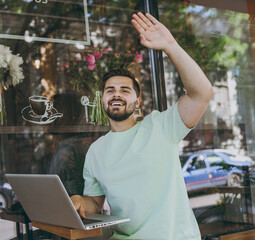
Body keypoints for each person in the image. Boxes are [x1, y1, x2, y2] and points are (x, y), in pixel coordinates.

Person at [70, 12, 214, 239]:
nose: (116, 94)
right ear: (102, 100)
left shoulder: (161, 126)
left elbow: (202, 93)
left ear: (137, 102)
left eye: (125, 90)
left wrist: (170, 46)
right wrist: (80, 201)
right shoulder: (95, 151)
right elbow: (95, 204)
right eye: (110, 90)